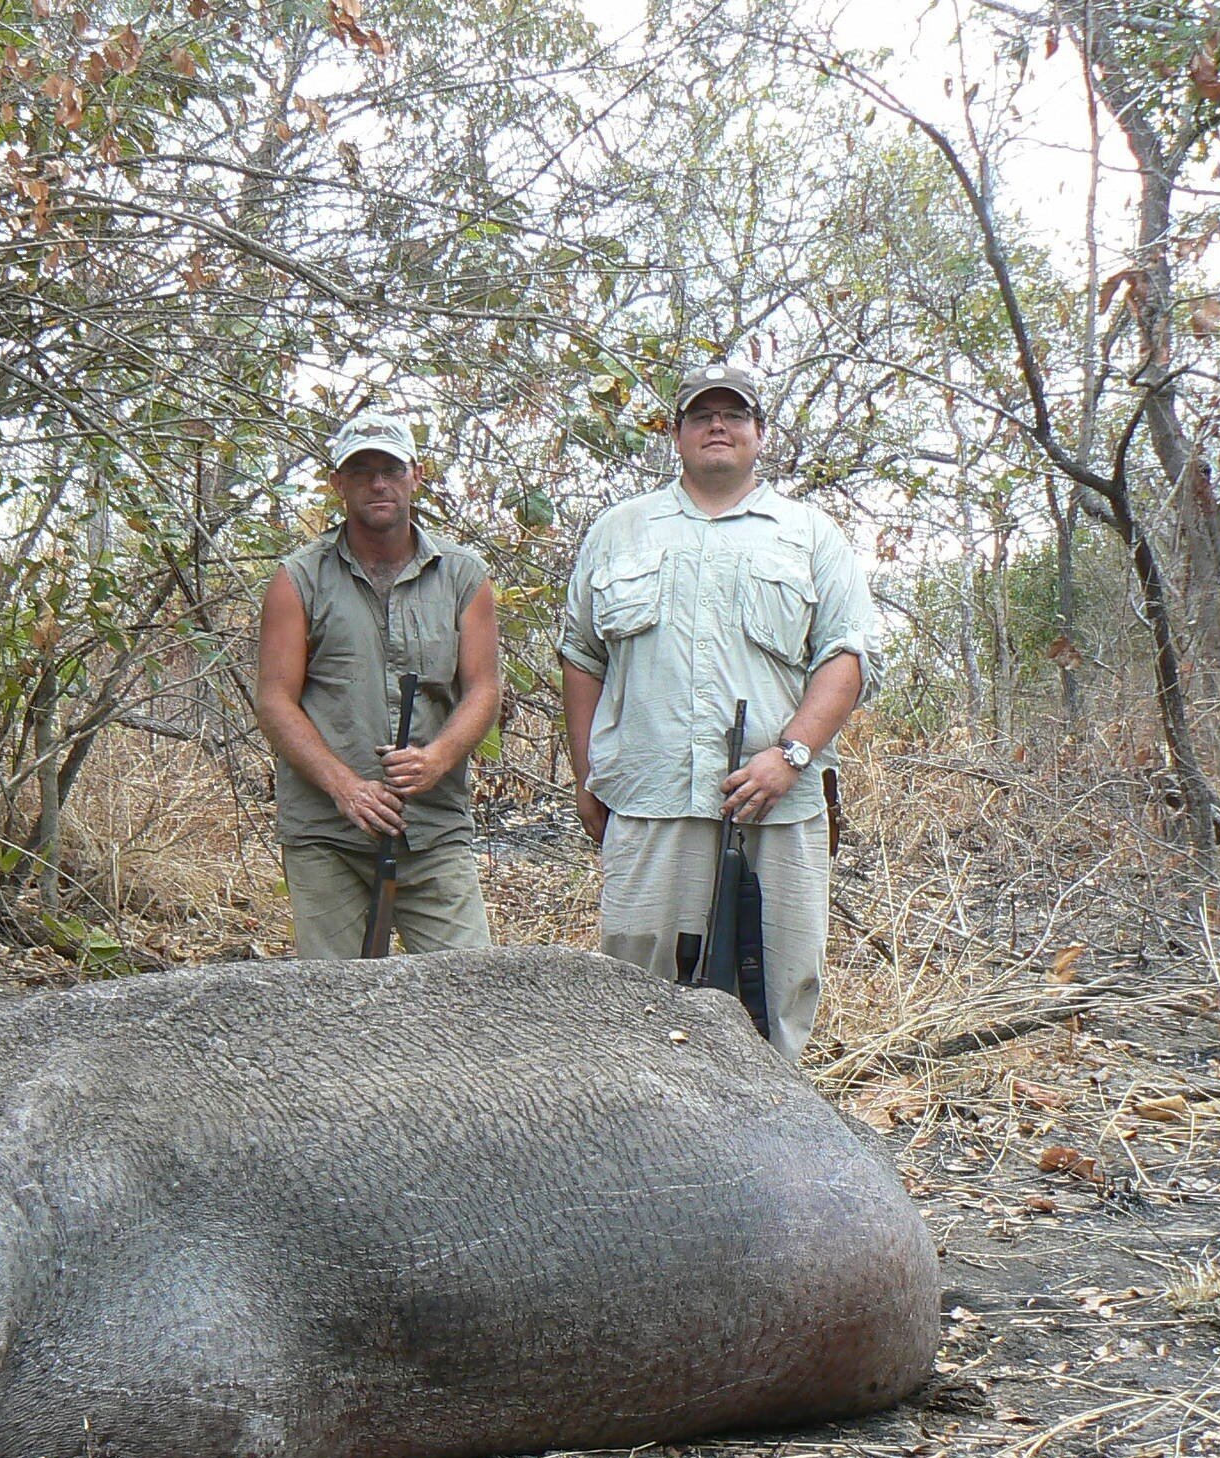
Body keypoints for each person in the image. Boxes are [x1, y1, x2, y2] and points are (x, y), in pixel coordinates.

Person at [557, 360, 878, 1062]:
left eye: (734, 415)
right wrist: (589, 775)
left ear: (760, 435)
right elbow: (582, 657)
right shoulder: (619, 531)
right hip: (648, 801)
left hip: (776, 807)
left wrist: (788, 756)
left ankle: (775, 1144)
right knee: (632, 994)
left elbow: (848, 657)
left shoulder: (809, 534)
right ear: (676, 434)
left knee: (776, 991)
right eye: (702, 414)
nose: (718, 426)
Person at [257, 412, 502, 959]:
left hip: (433, 830)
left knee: (468, 992)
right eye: (361, 471)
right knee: (336, 1006)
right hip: (329, 834)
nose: (377, 484)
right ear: (337, 483)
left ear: (415, 475)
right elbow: (275, 699)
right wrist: (346, 787)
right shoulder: (298, 578)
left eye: (390, 469)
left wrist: (437, 759)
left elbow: (484, 689)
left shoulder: (464, 575)